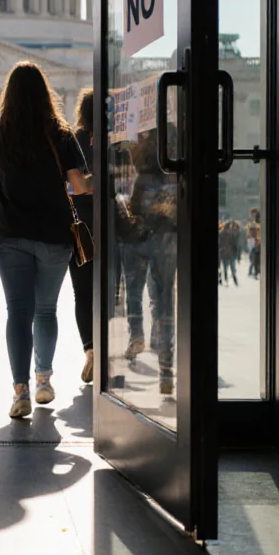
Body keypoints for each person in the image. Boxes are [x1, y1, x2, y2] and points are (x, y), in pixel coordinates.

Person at [0, 63, 90, 418]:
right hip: (53, 234)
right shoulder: (60, 134)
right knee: (46, 310)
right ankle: (43, 379)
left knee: (18, 311)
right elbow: (80, 187)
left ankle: (20, 391)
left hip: (11, 233)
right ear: (46, 93)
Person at [121, 135, 177, 397]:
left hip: (140, 241)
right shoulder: (173, 176)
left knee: (133, 291)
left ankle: (136, 334)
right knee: (165, 303)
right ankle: (166, 369)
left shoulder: (143, 177)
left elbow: (133, 210)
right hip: (166, 240)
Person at [69, 89, 97, 385]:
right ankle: (109, 348)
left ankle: (90, 350)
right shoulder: (115, 140)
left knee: (82, 291)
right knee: (110, 291)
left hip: (77, 225)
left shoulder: (72, 139)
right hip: (107, 223)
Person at [246, 207, 262, 279]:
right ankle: (256, 272)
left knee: (256, 260)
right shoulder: (252, 224)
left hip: (258, 244)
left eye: (252, 215)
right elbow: (249, 235)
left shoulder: (255, 224)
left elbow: (251, 234)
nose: (251, 216)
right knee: (255, 260)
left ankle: (256, 272)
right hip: (256, 244)